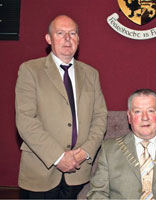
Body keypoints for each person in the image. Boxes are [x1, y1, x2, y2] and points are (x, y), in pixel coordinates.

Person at [15, 15, 107, 199]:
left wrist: (86, 152)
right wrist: (58, 157)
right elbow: (25, 121)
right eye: (60, 33)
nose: (67, 38)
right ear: (48, 39)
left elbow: (100, 117)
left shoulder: (91, 74)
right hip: (40, 173)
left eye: (72, 33)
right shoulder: (30, 70)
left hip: (78, 172)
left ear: (78, 40)